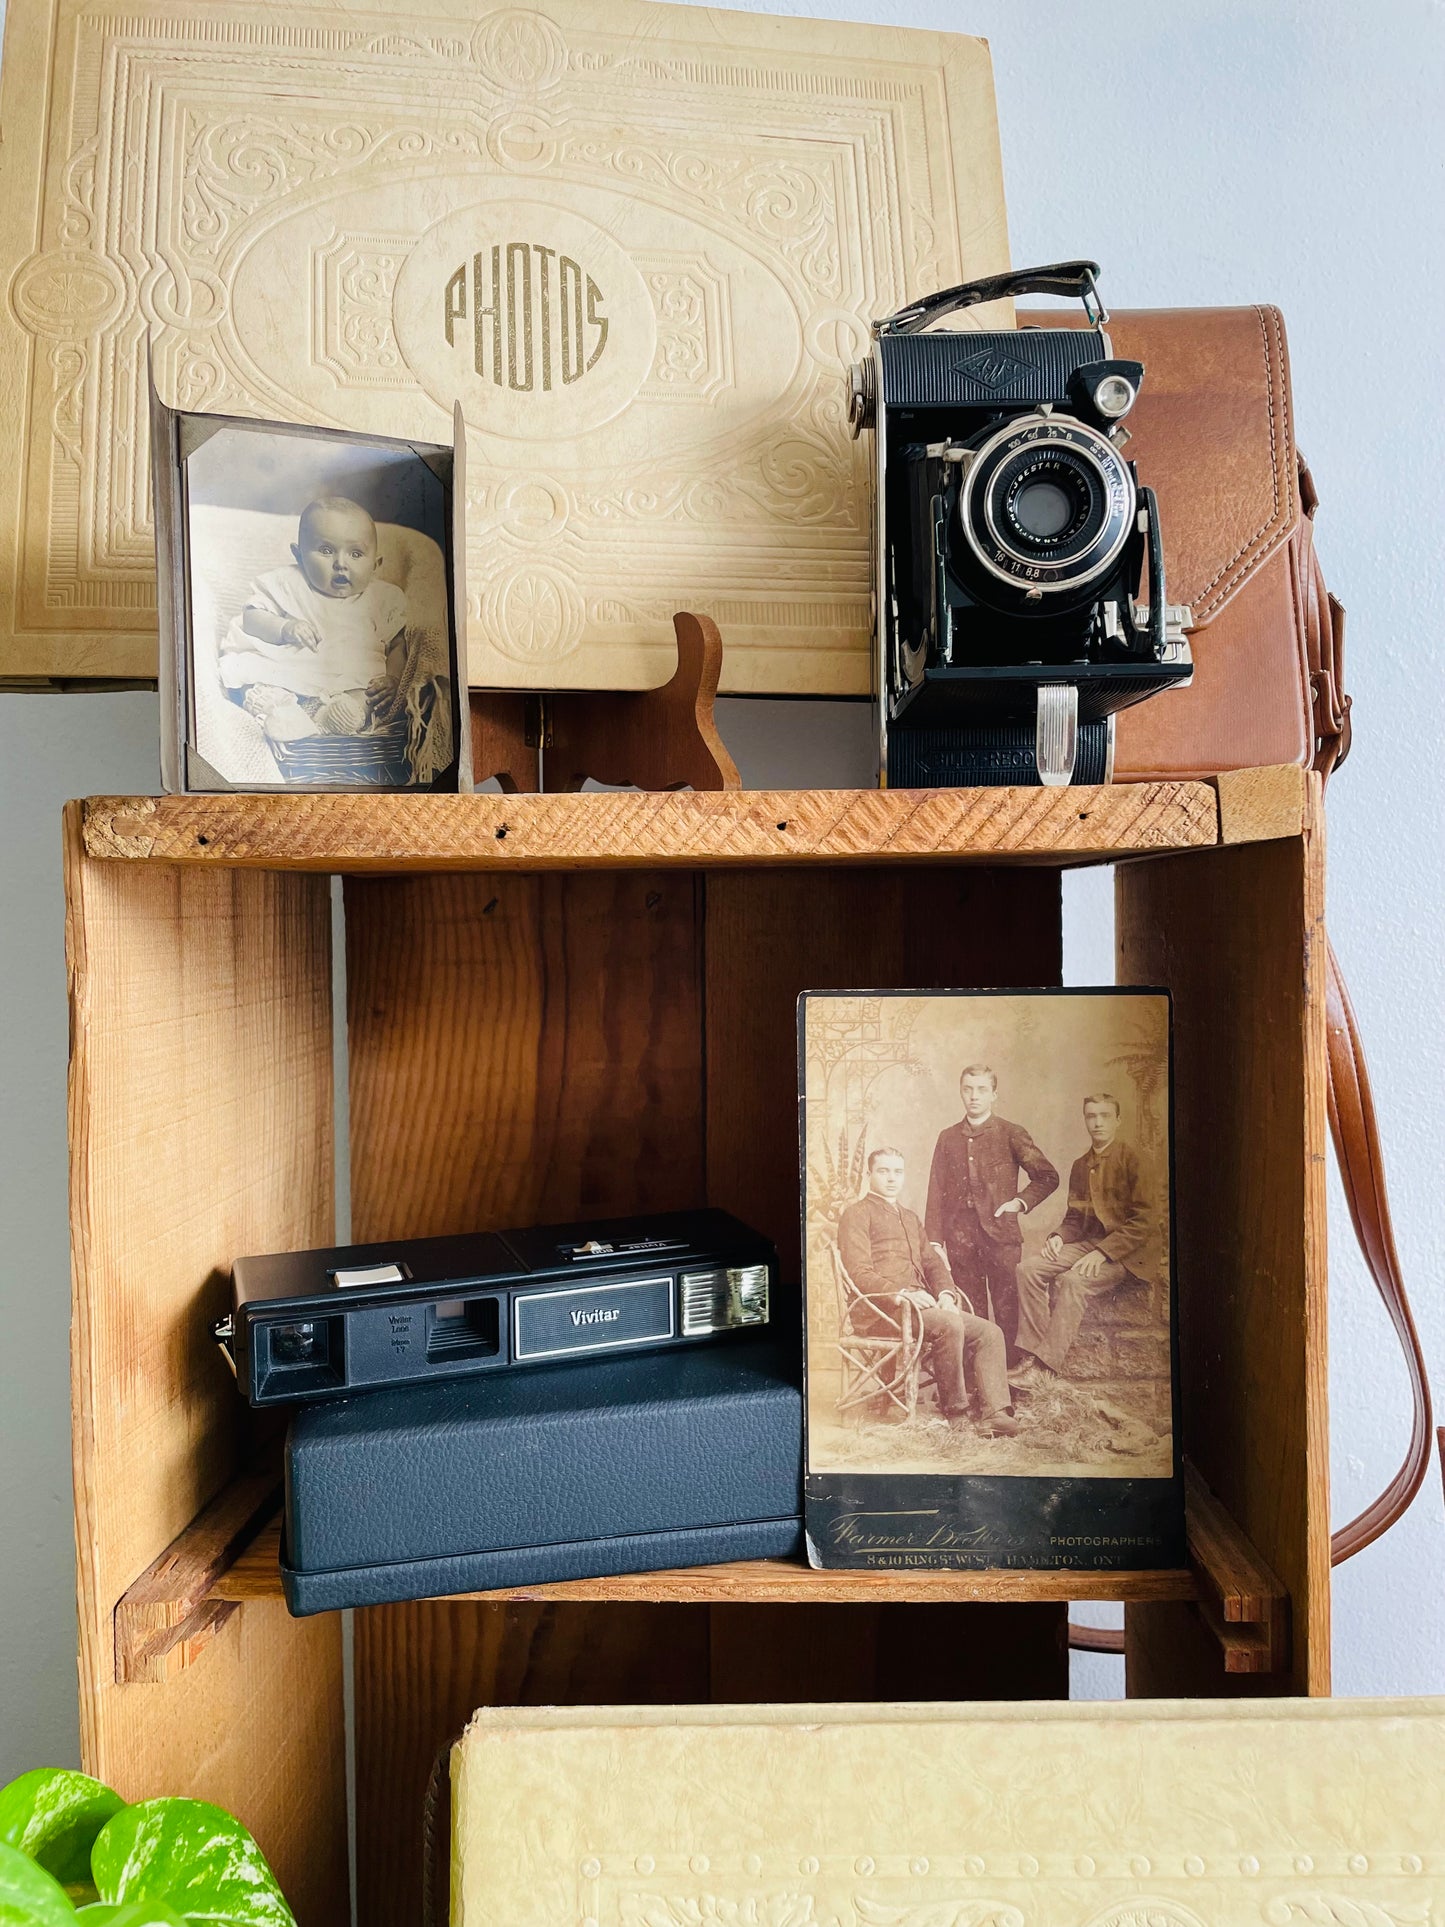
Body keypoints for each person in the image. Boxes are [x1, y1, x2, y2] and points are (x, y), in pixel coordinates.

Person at [837, 1147, 1019, 1436]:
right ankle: (956, 1414)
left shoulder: (909, 1218)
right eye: (883, 1171)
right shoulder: (856, 1215)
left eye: (897, 1172)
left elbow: (933, 1263)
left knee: (989, 1332)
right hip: (880, 1311)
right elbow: (859, 1273)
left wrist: (946, 1293)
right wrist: (901, 1293)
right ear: (868, 1174)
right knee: (949, 1323)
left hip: (921, 1310)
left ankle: (995, 1413)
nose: (891, 1178)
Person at [217, 495, 406, 739]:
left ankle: (335, 718)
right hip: (292, 669)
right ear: (299, 555)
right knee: (261, 678)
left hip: (351, 677)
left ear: (375, 564)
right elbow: (251, 618)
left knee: (367, 695)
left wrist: (393, 678)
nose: (341, 564)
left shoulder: (383, 598)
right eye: (326, 550)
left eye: (356, 554)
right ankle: (284, 714)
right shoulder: (287, 583)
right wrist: (285, 627)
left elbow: (398, 644)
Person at [1014, 1093, 1158, 1378]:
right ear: (1085, 1120)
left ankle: (1045, 1368)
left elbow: (1146, 1220)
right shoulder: (1081, 1165)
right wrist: (1058, 1236)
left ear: (1117, 1120)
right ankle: (1032, 1354)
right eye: (1091, 1116)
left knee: (1073, 1281)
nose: (1098, 1122)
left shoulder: (1135, 1159)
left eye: (1105, 1116)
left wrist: (1103, 1253)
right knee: (1027, 1269)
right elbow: (1075, 1218)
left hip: (1128, 1254)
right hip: (1091, 1244)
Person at [924, 1064, 1058, 1362]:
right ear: (961, 1092)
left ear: (993, 1095)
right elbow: (935, 1193)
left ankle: (1007, 1385)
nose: (974, 1096)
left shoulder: (1011, 1133)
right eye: (968, 1089)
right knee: (971, 1314)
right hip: (960, 1242)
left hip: (1002, 1239)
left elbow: (1048, 1176)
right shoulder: (947, 1137)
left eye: (982, 1090)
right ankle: (975, 1386)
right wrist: (935, 1242)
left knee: (1008, 1311)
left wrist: (1019, 1202)